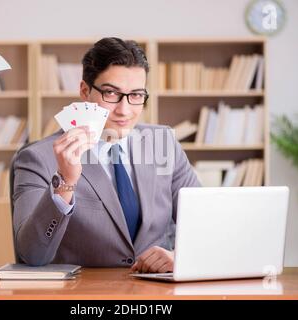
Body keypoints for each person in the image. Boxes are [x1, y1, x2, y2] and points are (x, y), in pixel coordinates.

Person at [12, 37, 201, 273]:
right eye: (111, 93)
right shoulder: (38, 158)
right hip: (83, 296)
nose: (125, 110)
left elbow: (204, 223)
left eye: (136, 95)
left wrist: (179, 257)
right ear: (85, 91)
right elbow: (32, 254)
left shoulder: (163, 143)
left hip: (157, 291)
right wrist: (66, 183)